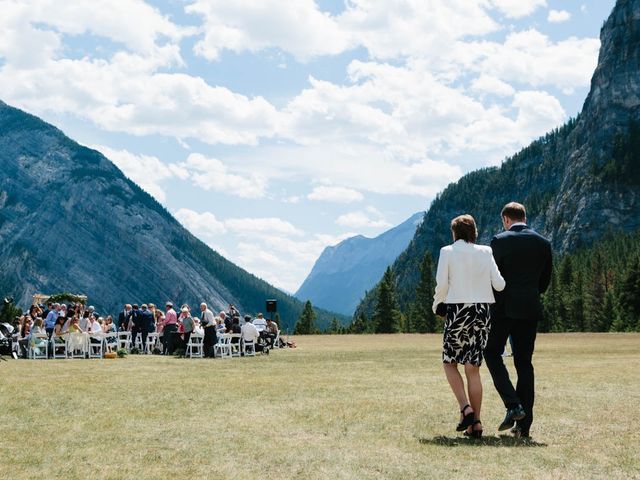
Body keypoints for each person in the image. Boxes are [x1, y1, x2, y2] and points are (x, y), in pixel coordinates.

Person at [433, 214, 505, 438]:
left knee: (449, 361)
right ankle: (477, 425)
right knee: (473, 368)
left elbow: (442, 284)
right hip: (482, 312)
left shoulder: (447, 252)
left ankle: (465, 409)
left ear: (454, 233)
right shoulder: (486, 251)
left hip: (457, 310)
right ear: (474, 231)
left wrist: (438, 304)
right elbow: (500, 285)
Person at [484, 202, 552, 439]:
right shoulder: (543, 243)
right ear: (525, 217)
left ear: (505, 218)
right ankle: (524, 426)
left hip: (503, 310)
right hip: (530, 310)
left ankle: (513, 405)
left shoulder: (499, 241)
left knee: (491, 353)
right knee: (525, 364)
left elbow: (492, 278)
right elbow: (544, 282)